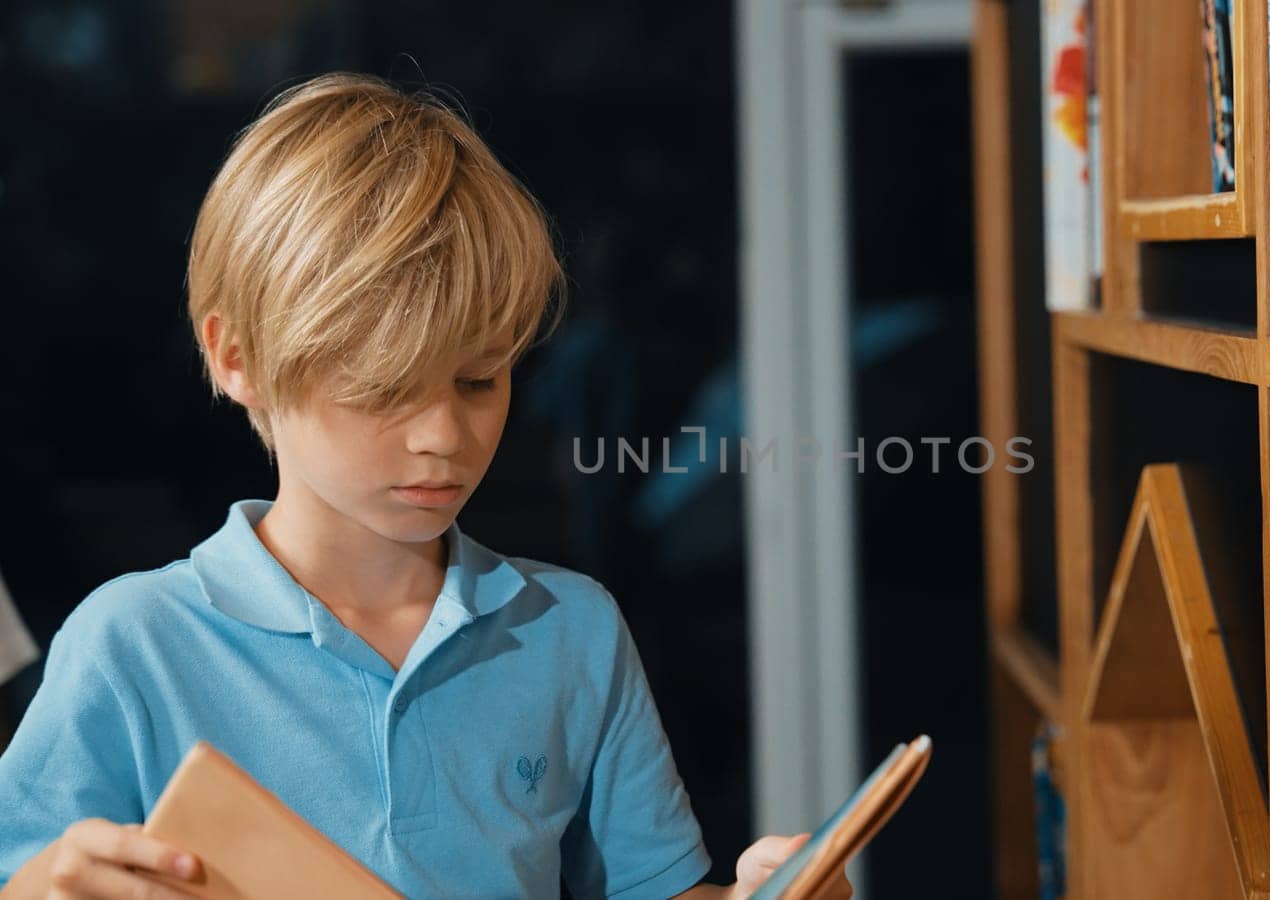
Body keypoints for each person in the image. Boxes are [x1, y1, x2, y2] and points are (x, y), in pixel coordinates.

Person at [0, 72, 848, 900]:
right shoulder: (133, 646)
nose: (445, 436)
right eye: (386, 385)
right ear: (237, 359)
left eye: (480, 380)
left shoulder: (570, 633)